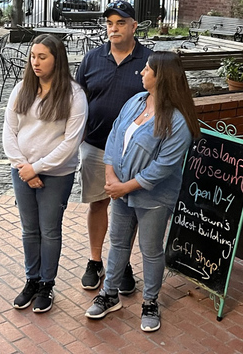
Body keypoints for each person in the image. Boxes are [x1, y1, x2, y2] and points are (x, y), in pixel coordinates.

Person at [84, 51, 200, 332]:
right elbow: (113, 136)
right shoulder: (135, 102)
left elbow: (162, 167)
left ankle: (150, 301)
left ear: (161, 77)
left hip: (153, 198)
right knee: (119, 243)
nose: (141, 72)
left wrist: (125, 186)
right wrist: (111, 176)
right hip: (121, 191)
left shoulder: (177, 122)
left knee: (150, 251)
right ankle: (109, 294)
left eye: (147, 69)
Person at [3, 34, 88, 313]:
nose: (35, 62)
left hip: (57, 174)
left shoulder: (74, 95)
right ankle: (31, 279)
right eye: (33, 56)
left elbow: (70, 143)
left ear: (57, 59)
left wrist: (35, 168)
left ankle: (46, 285)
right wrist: (23, 167)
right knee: (30, 229)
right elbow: (9, 131)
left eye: (43, 57)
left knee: (49, 230)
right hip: (22, 169)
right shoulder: (22, 90)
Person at [75, 0, 153, 293]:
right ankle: (95, 261)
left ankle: (122, 263)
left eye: (121, 22)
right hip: (95, 146)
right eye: (109, 23)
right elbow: (76, 100)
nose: (114, 28)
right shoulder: (92, 59)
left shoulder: (149, 60)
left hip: (134, 152)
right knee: (98, 202)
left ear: (134, 25)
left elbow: (161, 101)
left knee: (128, 207)